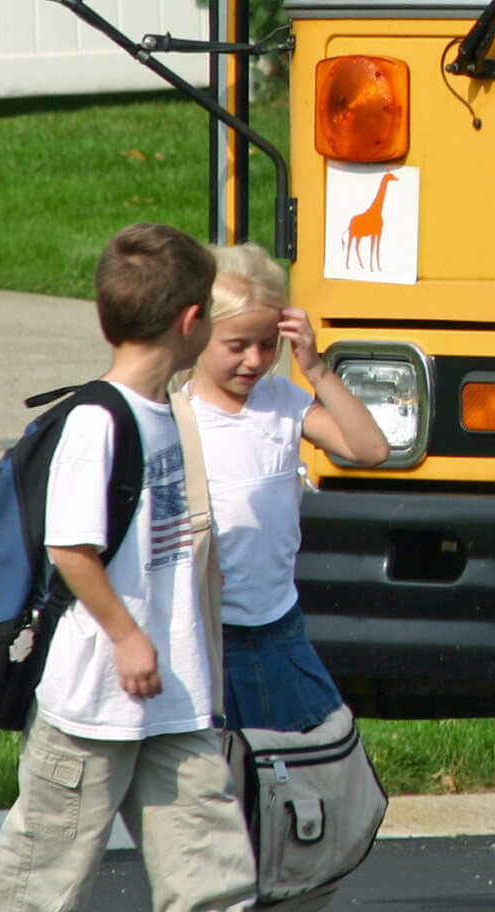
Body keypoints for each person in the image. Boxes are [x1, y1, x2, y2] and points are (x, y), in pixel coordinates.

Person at [0, 223, 257, 912]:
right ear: (191, 322)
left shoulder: (164, 412)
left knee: (215, 885)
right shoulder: (98, 421)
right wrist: (128, 634)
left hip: (174, 701)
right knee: (38, 891)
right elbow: (71, 549)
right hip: (91, 708)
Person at [185, 243, 389, 735]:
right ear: (196, 335)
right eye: (237, 346)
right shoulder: (180, 415)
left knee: (315, 751)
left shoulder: (282, 402)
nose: (255, 360)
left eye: (267, 344)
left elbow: (370, 449)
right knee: (224, 769)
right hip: (210, 632)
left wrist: (316, 369)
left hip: (279, 625)